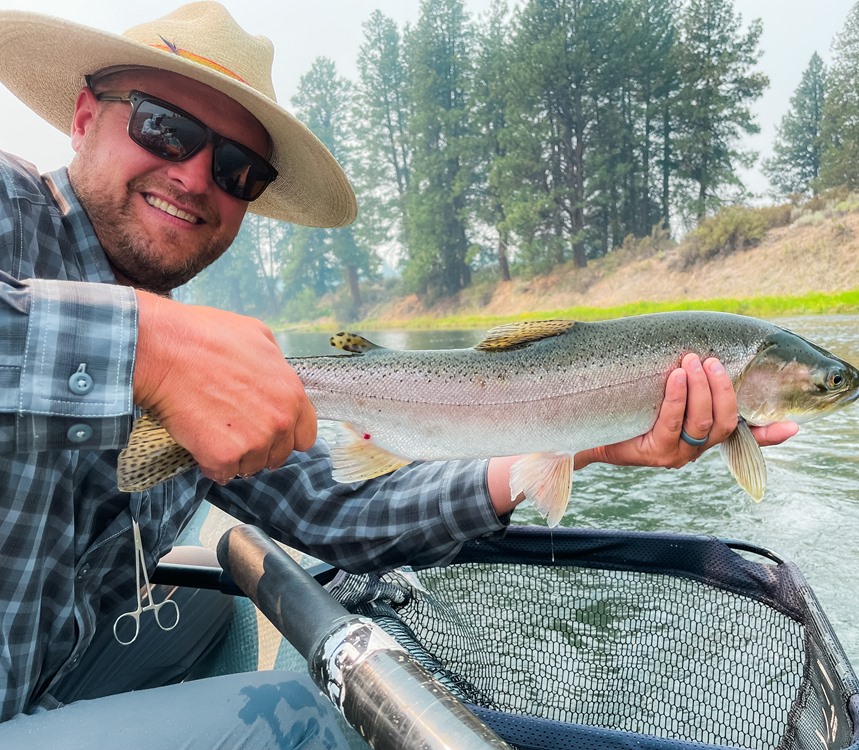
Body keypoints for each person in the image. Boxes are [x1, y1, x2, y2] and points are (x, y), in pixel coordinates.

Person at [0, 3, 797, 748]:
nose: (197, 176)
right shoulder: (11, 207)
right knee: (331, 708)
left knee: (207, 613)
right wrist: (145, 347)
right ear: (82, 117)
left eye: (240, 169)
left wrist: (565, 445)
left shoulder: (217, 365)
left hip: (47, 666)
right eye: (166, 129)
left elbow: (335, 507)